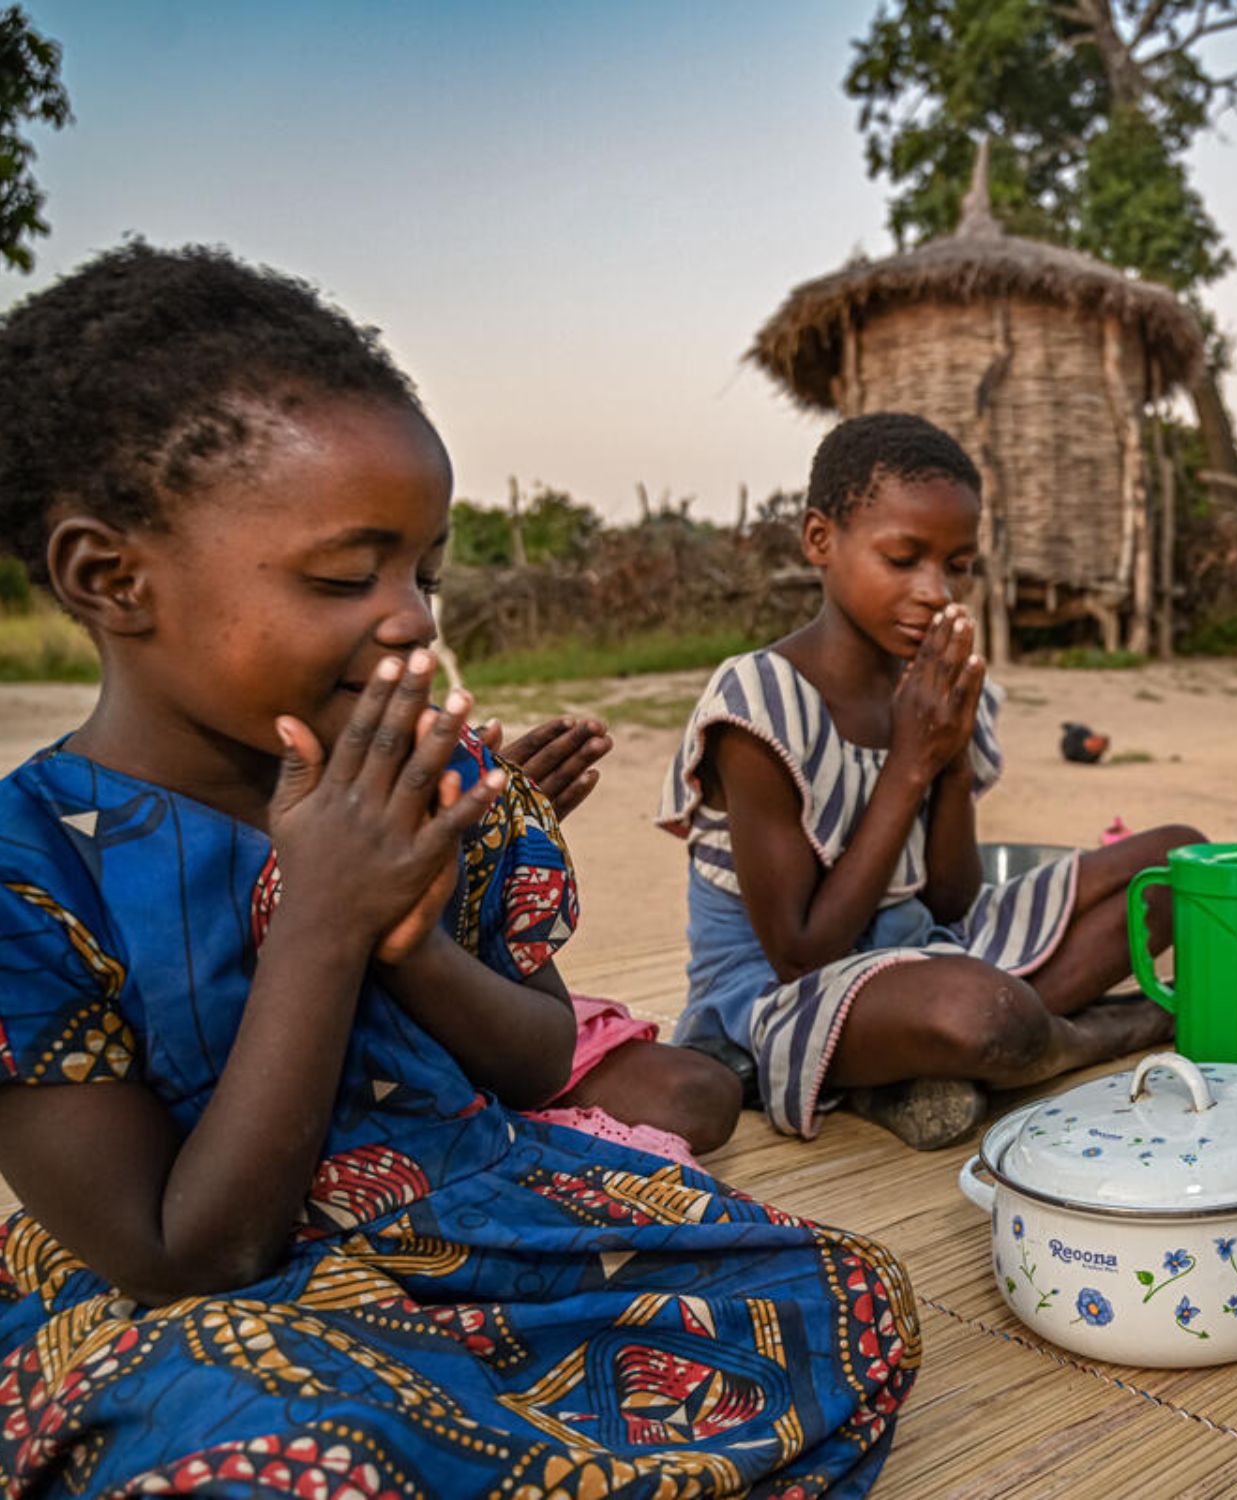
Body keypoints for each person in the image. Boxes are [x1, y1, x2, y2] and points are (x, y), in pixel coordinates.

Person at [0, 243, 913, 1496]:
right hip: (205, 1310)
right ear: (111, 579)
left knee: (843, 1300)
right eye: (344, 575)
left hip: (475, 1228)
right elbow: (182, 1254)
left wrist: (410, 938)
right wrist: (319, 922)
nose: (415, 619)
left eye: (424, 573)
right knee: (269, 1457)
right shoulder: (30, 870)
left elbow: (540, 1059)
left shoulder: (435, 787)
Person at [658, 412, 1203, 1150]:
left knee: (1179, 865)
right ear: (820, 540)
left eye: (958, 565)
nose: (935, 590)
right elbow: (800, 950)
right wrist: (910, 762)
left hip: (920, 950)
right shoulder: (756, 706)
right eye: (903, 558)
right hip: (775, 1003)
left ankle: (937, 1062)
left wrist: (946, 760)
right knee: (982, 1016)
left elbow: (950, 900)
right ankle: (1096, 1031)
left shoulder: (934, 683)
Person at [484, 715, 749, 1164]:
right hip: (360, 1032)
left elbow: (544, 1056)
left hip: (460, 998)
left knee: (698, 1094)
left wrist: (487, 853)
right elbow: (800, 948)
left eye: (422, 648)